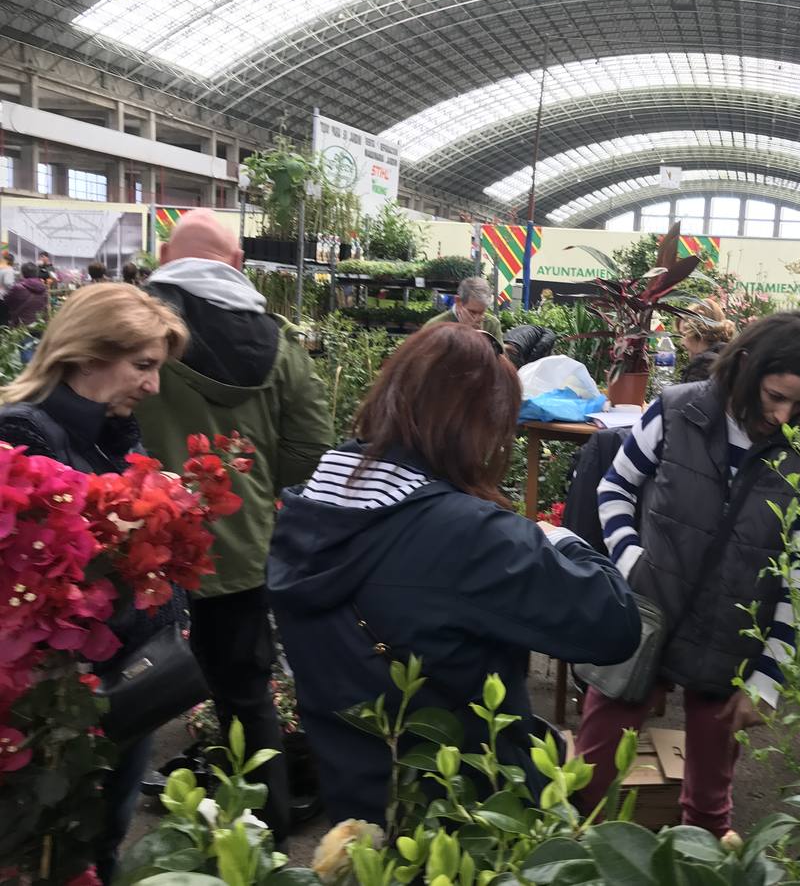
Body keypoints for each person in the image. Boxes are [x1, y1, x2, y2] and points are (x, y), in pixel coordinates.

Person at [267, 322, 641, 826]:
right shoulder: (469, 536)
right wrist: (559, 538)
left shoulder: (307, 511)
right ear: (479, 428)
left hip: (358, 812)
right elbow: (615, 622)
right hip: (469, 816)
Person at [575, 311, 800, 836]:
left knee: (710, 814)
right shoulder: (676, 411)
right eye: (775, 396)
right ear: (746, 365)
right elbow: (615, 488)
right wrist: (633, 564)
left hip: (732, 636)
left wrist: (768, 677)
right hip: (644, 619)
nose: (785, 415)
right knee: (586, 782)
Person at [136, 209, 334, 840]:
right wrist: (251, 488)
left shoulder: (129, 325)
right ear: (239, 264)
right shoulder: (277, 342)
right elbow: (311, 448)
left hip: (129, 549)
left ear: (165, 255)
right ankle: (266, 833)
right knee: (245, 695)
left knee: (125, 694)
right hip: (238, 550)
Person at [0, 283, 189, 883]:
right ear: (86, 354)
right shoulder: (26, 440)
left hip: (114, 692)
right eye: (142, 366)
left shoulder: (107, 438)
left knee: (102, 839)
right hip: (56, 707)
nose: (153, 386)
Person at [425, 276, 503, 343]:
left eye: (482, 312)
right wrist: (466, 334)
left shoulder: (492, 324)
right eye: (473, 312)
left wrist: (480, 335)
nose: (479, 318)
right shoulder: (434, 327)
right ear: (458, 302)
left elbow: (502, 359)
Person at [678, 298, 735, 383]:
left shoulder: (703, 367)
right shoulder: (726, 359)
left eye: (684, 335)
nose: (682, 342)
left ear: (699, 333)